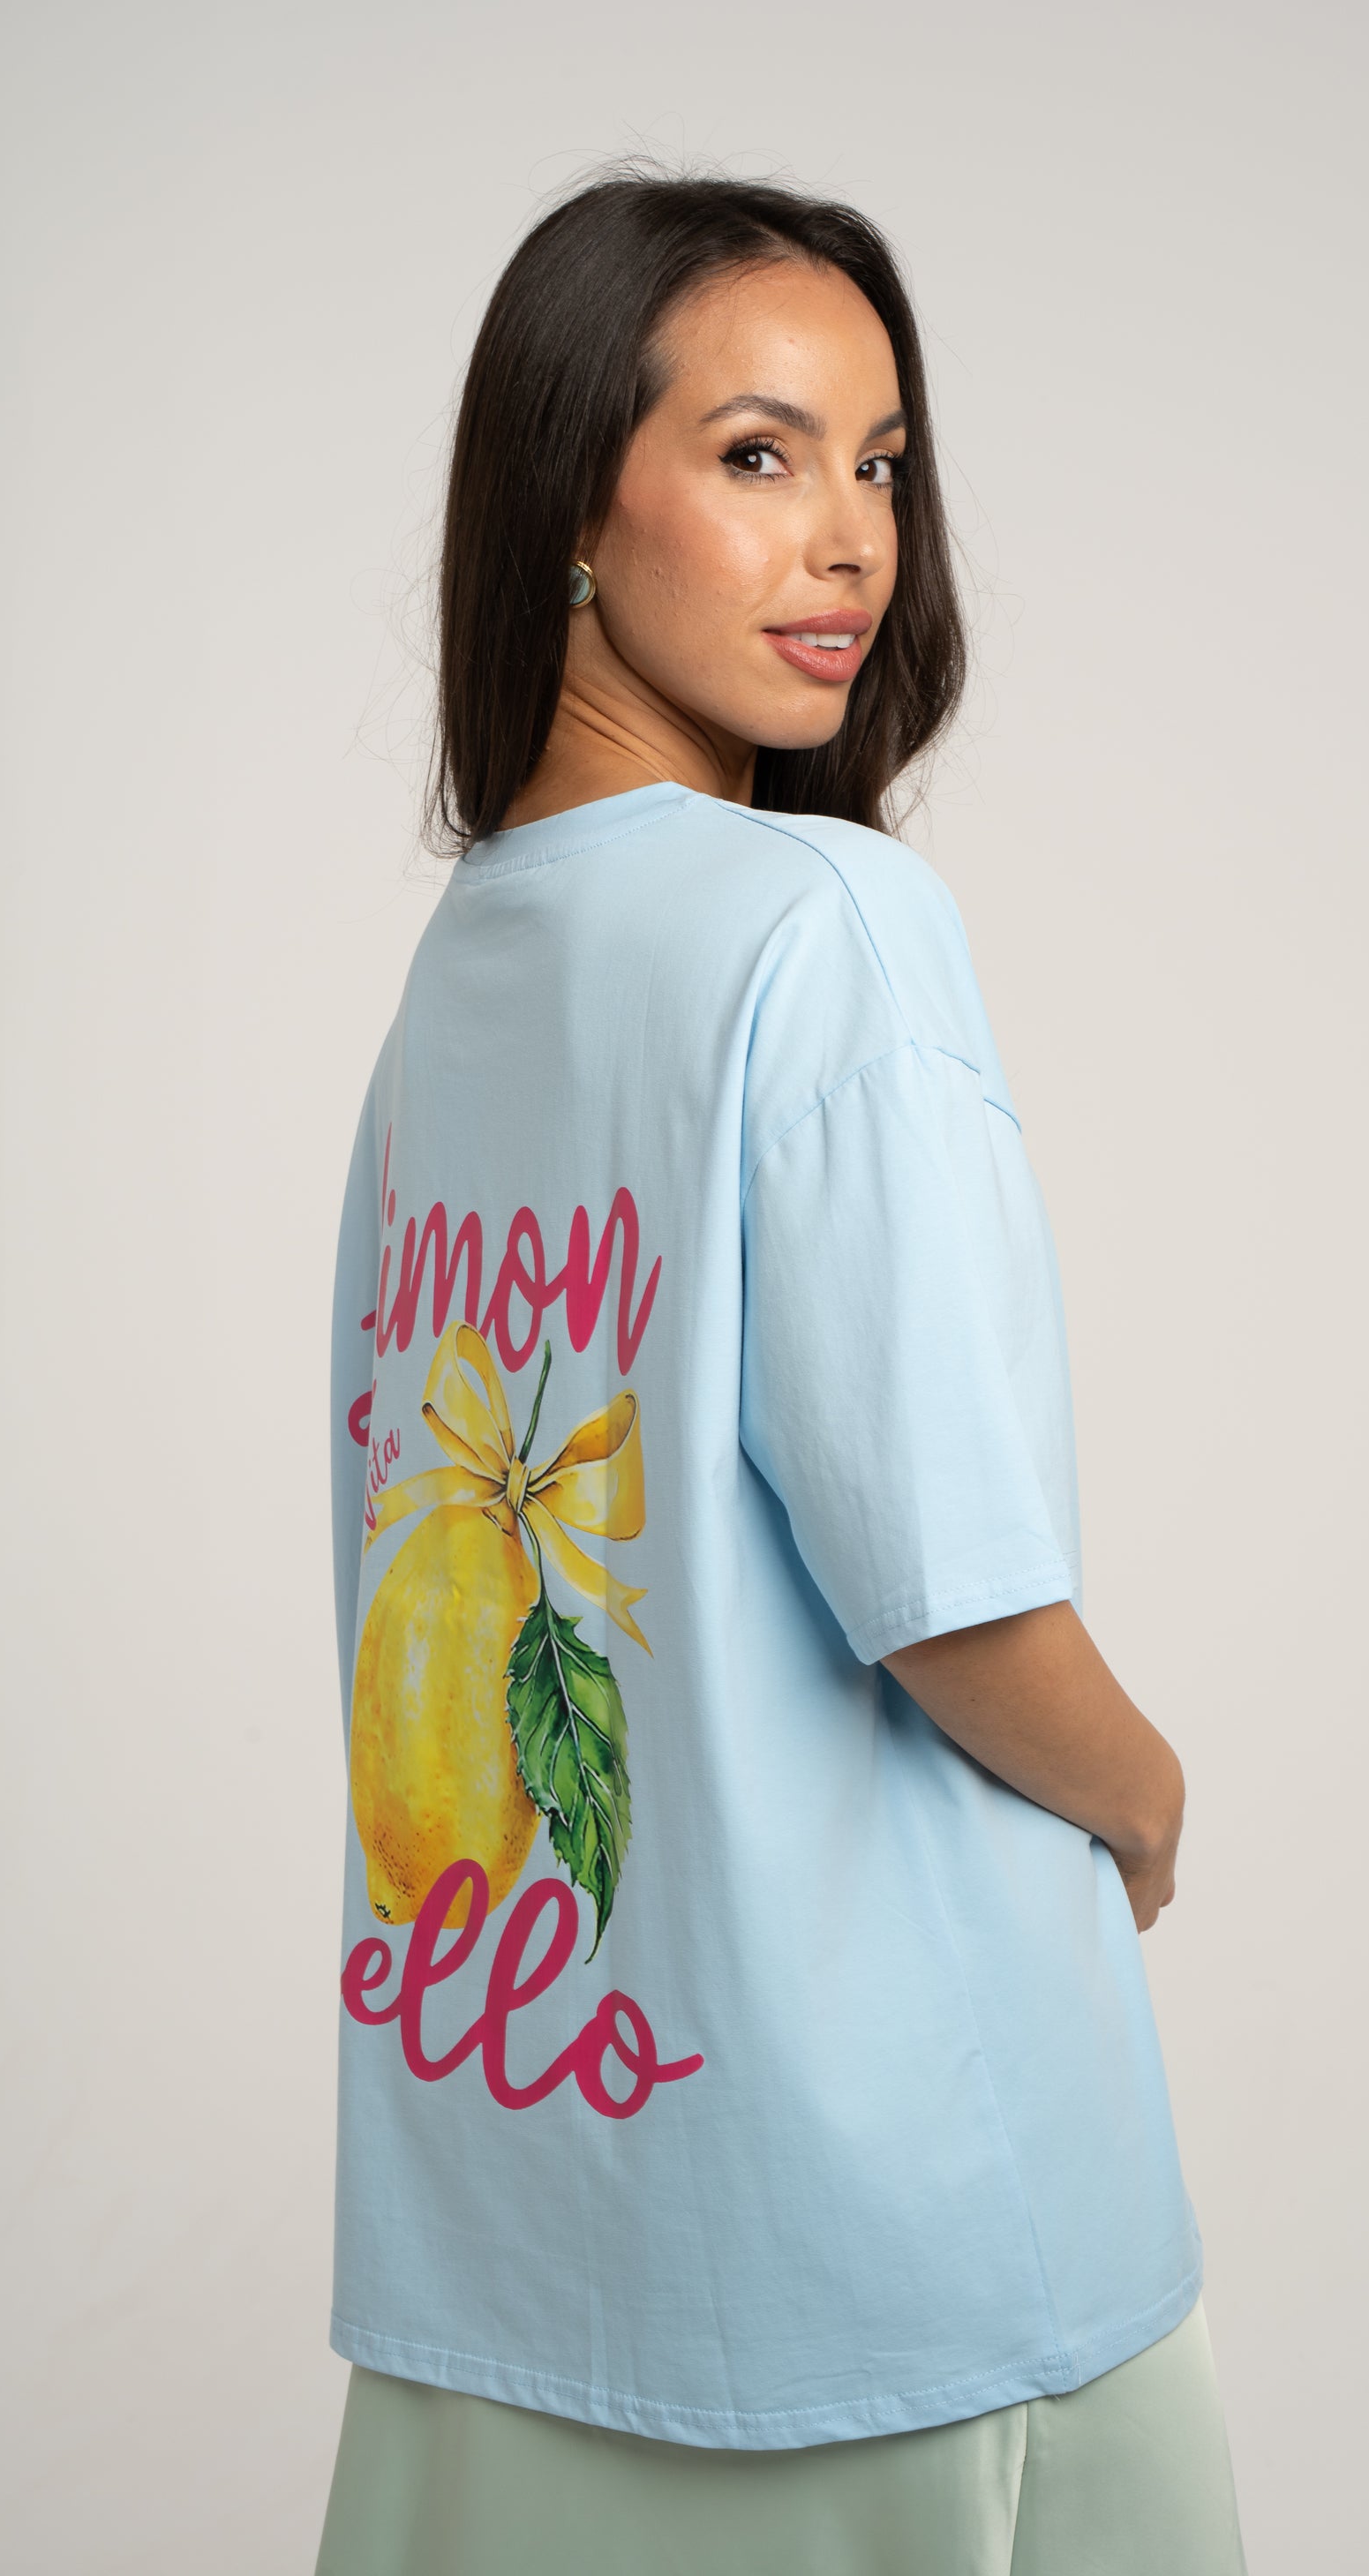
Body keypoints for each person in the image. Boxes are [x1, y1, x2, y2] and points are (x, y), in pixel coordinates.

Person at [315, 169, 1246, 2576]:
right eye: (757, 454)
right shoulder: (824, 925)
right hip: (891, 2239)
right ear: (570, 505)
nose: (847, 539)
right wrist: (1144, 1797)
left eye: (880, 464)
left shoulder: (459, 978)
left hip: (528, 2189)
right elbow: (946, 1587)